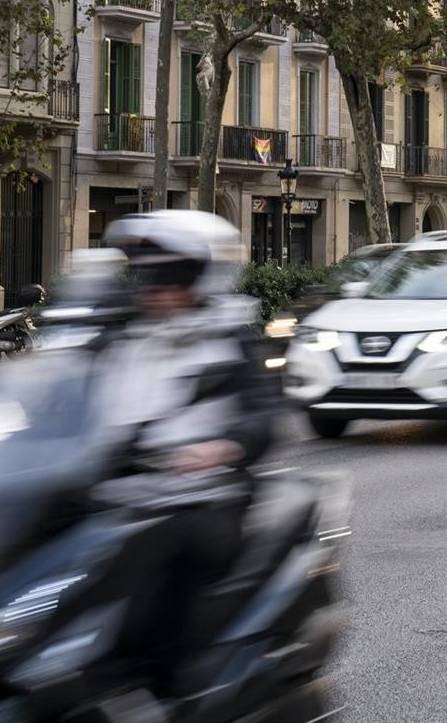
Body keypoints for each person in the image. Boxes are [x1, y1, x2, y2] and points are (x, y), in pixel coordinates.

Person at [98, 210, 283, 692]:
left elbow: (263, 412)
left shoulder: (229, 333)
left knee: (165, 568)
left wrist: (223, 448)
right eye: (147, 275)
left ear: (202, 278)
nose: (156, 288)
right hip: (126, 491)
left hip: (206, 497)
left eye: (171, 275)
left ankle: (170, 687)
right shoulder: (122, 333)